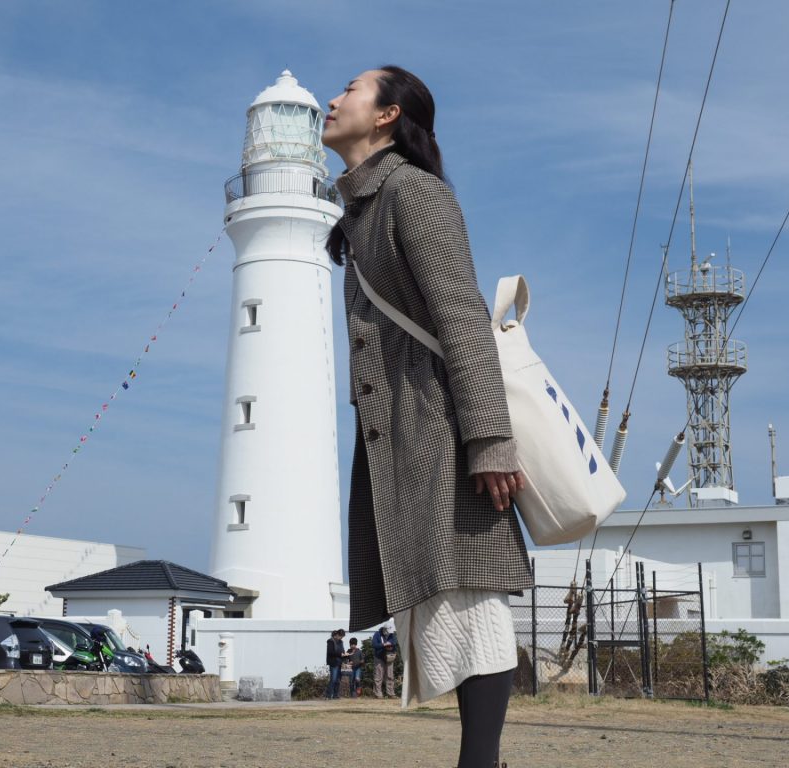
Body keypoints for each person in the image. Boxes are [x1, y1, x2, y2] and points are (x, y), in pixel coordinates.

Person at [322, 66, 533, 768]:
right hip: (402, 438)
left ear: (386, 116)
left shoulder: (413, 191)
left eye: (350, 89)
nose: (332, 100)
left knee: (467, 600)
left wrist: (490, 441)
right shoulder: (360, 210)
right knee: (442, 604)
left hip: (441, 430)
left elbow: (463, 318)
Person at [371, 625, 397, 698]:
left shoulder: (391, 634)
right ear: (384, 630)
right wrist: (383, 645)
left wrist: (390, 643)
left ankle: (391, 693)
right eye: (388, 632)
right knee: (378, 676)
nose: (389, 634)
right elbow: (374, 644)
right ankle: (378, 693)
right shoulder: (377, 634)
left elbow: (394, 642)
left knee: (390, 675)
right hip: (379, 657)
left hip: (389, 657)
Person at [324, 629, 347, 699]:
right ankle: (328, 695)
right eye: (341, 636)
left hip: (340, 662)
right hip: (334, 663)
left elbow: (342, 650)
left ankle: (335, 695)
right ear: (337, 635)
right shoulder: (330, 641)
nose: (341, 638)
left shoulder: (341, 642)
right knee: (333, 679)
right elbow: (330, 652)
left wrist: (345, 656)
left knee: (338, 680)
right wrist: (340, 654)